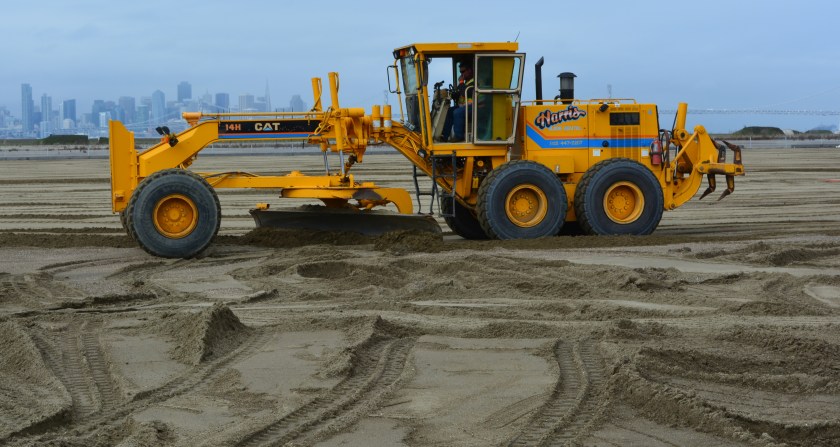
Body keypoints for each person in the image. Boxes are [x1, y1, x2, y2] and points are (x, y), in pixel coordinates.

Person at [442, 60, 474, 142]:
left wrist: (461, 82)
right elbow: (461, 94)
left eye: (463, 71)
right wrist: (453, 94)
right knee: (449, 111)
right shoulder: (466, 83)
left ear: (469, 70)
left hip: (475, 107)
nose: (461, 74)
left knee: (457, 112)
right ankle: (444, 135)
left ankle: (459, 136)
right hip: (465, 106)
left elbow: (467, 93)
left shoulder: (474, 81)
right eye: (460, 72)